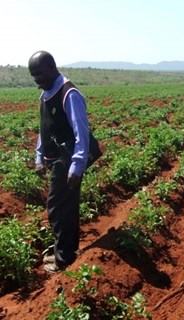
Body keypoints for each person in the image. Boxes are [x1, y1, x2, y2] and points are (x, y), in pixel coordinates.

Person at [28, 51, 91, 273]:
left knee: (57, 208)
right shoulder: (45, 95)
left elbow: (81, 133)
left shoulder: (69, 93)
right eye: (33, 76)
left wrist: (77, 166)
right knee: (67, 207)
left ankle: (62, 259)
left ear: (52, 67)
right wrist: (39, 157)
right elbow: (44, 129)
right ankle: (67, 252)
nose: (37, 80)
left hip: (67, 161)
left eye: (40, 74)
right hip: (56, 159)